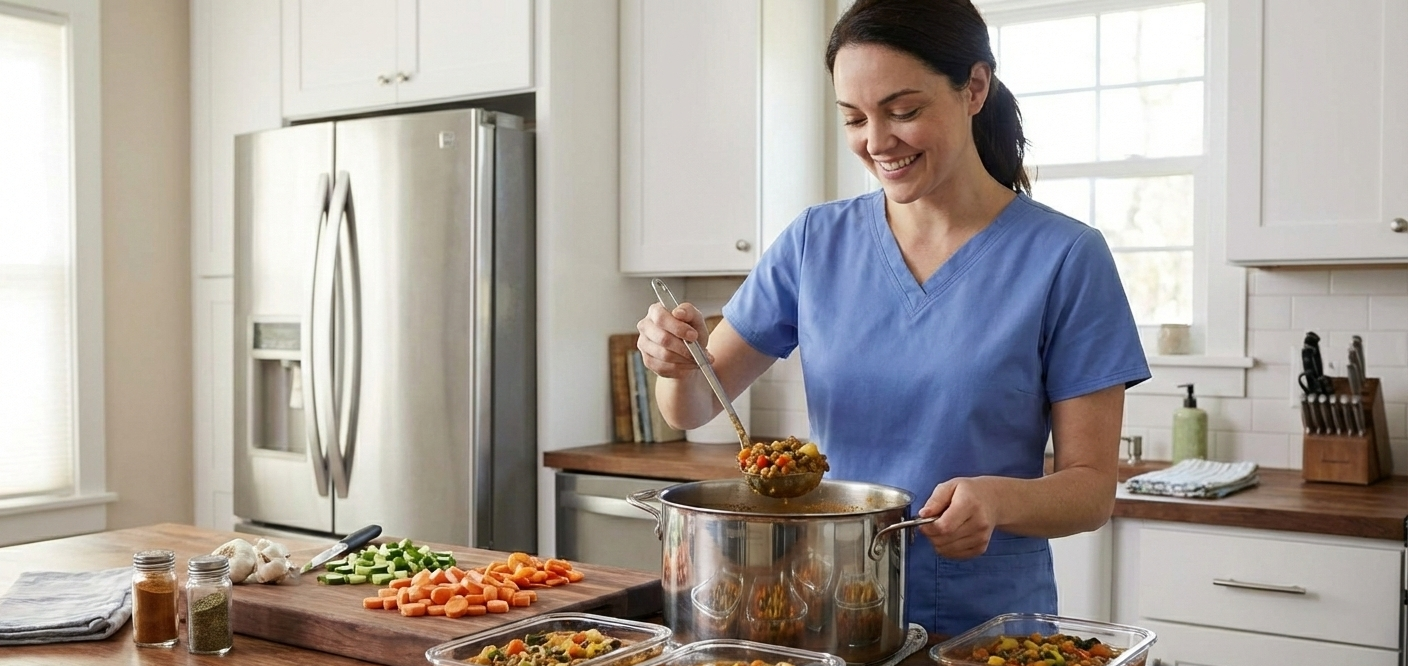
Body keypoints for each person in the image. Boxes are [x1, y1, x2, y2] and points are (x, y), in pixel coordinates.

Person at [635, 0, 1150, 637]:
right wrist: (675, 362)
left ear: (975, 89)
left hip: (983, 631)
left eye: (903, 112)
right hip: (832, 614)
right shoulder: (814, 242)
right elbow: (689, 407)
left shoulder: (1066, 257)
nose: (878, 142)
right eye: (854, 118)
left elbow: (1092, 489)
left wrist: (999, 499)